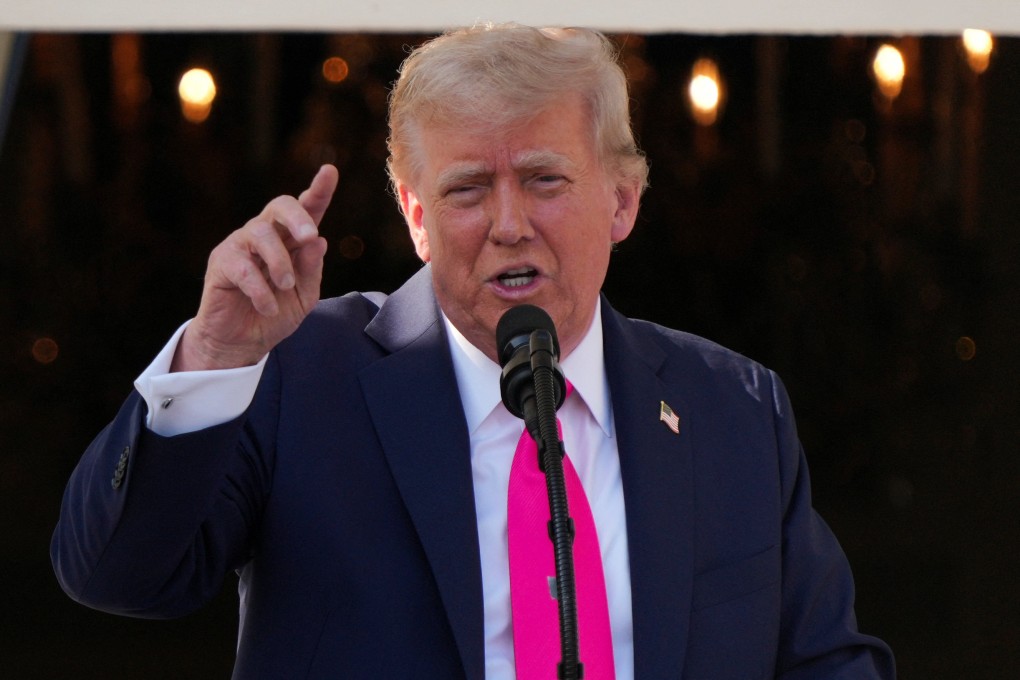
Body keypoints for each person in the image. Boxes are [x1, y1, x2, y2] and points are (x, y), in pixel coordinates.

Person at [51, 23, 895, 679]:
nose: (507, 223)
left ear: (623, 202)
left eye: (544, 179)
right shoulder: (300, 372)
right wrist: (214, 353)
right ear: (415, 218)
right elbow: (119, 576)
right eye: (465, 189)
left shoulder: (734, 408)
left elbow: (828, 661)